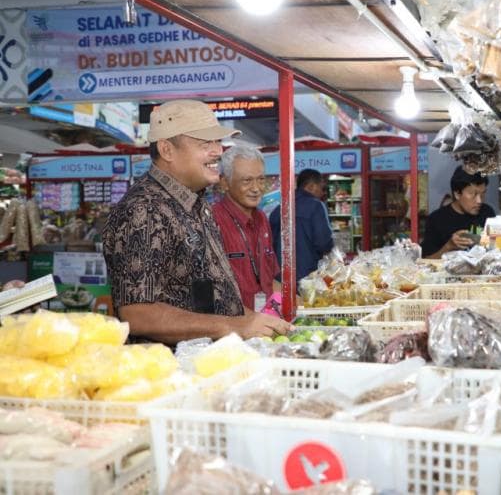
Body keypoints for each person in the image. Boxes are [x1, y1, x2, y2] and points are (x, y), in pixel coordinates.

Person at [103, 99, 291, 344]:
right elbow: (138, 314)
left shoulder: (196, 203)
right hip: (171, 372)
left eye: (217, 142)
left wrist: (256, 322)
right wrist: (236, 325)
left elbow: (213, 297)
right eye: (205, 143)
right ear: (167, 150)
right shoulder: (143, 209)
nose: (217, 151)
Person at [212, 144, 280, 311]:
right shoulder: (212, 221)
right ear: (225, 183)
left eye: (261, 179)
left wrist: (304, 303)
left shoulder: (262, 219)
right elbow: (213, 291)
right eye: (247, 180)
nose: (256, 188)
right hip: (231, 329)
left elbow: (269, 279)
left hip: (264, 323)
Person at [269, 169, 334, 282]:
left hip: (280, 277)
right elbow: (324, 243)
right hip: (308, 276)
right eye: (321, 188)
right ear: (311, 186)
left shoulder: (278, 209)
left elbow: (270, 244)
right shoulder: (316, 206)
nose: (323, 192)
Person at [421, 166, 495, 258]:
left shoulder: (487, 212)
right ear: (457, 194)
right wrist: (448, 246)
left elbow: (496, 248)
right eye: (473, 194)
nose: (479, 200)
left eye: (482, 193)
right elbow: (425, 260)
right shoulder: (436, 220)